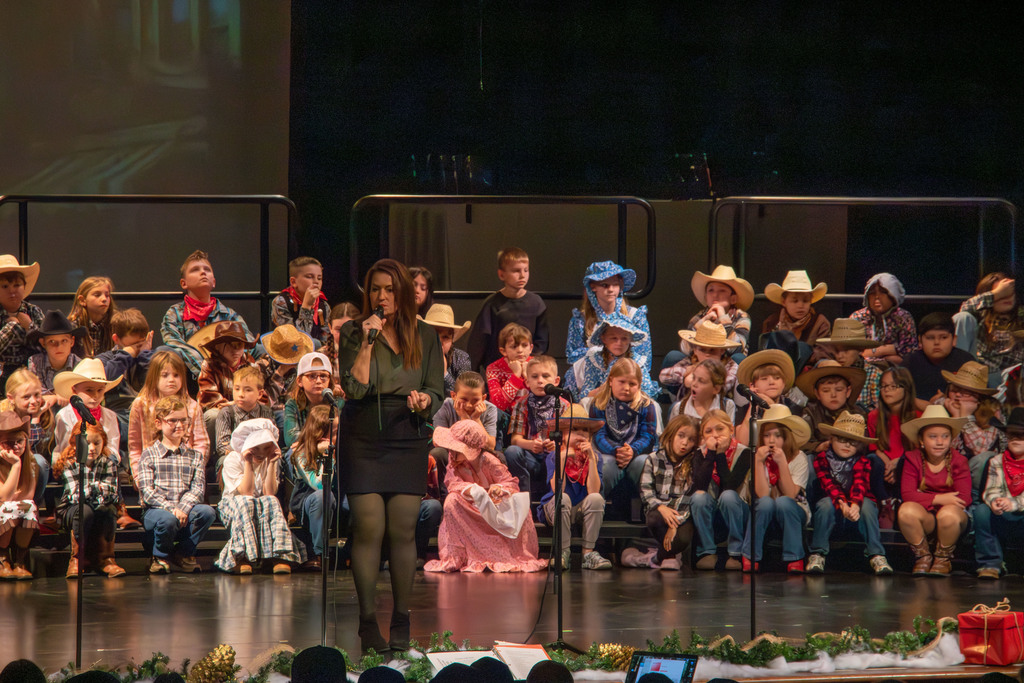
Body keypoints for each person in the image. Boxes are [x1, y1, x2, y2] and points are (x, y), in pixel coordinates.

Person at [336, 258, 443, 654]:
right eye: (375, 289)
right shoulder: (354, 331)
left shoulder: (426, 334)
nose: (381, 296)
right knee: (368, 527)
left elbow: (436, 389)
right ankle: (367, 623)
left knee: (403, 529)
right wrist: (367, 341)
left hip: (407, 432)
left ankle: (401, 619)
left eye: (389, 289)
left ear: (403, 293)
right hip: (364, 432)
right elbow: (355, 388)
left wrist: (425, 400)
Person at [424, 420, 545, 573]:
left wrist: (498, 489)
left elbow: (510, 483)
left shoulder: (488, 460)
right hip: (470, 506)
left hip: (493, 508)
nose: (452, 452)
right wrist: (471, 490)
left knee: (516, 503)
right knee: (451, 500)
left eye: (456, 448)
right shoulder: (454, 462)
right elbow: (452, 482)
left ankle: (505, 553)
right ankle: (458, 555)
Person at [137, 396, 216, 574]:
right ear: (159, 423)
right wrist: (172, 509)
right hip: (157, 511)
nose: (179, 425)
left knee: (207, 512)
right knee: (168, 519)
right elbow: (147, 491)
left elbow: (197, 489)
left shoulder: (194, 456)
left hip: (183, 510)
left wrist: (182, 508)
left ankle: (182, 553)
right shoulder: (149, 455)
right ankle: (159, 556)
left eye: (183, 420)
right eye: (172, 420)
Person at [806, 411, 892, 575]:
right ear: (831, 439)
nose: (847, 445)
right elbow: (829, 485)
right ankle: (817, 553)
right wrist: (842, 504)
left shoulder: (863, 461)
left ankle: (877, 554)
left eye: (853, 442)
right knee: (825, 505)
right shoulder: (822, 458)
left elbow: (860, 485)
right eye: (841, 439)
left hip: (855, 506)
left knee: (867, 506)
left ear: (859, 445)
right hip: (833, 503)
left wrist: (855, 505)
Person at [216, 418, 303, 574]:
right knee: (246, 502)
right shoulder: (233, 459)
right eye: (256, 447)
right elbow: (246, 492)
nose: (261, 453)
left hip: (259, 504)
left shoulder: (270, 459)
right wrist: (248, 462)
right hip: (234, 505)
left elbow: (269, 492)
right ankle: (241, 557)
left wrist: (272, 463)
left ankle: (279, 555)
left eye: (266, 447)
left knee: (272, 500)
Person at [160, 249, 257, 380]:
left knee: (260, 349)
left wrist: (231, 361)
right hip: (191, 375)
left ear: (214, 282)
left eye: (207, 269)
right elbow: (173, 342)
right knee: (164, 351)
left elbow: (248, 341)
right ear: (184, 283)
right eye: (195, 270)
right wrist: (207, 370)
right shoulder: (175, 313)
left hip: (229, 370)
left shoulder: (228, 315)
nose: (203, 272)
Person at [898, 405, 970, 576]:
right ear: (922, 440)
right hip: (928, 517)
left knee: (948, 514)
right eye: (933, 437)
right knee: (906, 510)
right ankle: (923, 557)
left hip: (952, 519)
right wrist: (940, 499)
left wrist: (928, 499)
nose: (940, 442)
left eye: (945, 436)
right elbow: (907, 494)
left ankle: (942, 559)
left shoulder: (959, 460)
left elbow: (963, 498)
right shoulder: (913, 458)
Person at [537, 404, 612, 570]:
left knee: (596, 498)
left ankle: (588, 554)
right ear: (563, 434)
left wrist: (591, 458)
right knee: (563, 498)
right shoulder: (554, 455)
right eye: (575, 429)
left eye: (585, 430)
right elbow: (558, 491)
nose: (581, 433)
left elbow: (593, 491)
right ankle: (563, 552)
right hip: (556, 508)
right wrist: (563, 459)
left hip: (580, 509)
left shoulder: (596, 457)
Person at [742, 404, 811, 573]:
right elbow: (762, 494)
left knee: (784, 502)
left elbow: (791, 494)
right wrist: (758, 462)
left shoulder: (799, 458)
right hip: (766, 510)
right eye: (767, 435)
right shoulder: (758, 456)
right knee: (765, 502)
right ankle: (750, 555)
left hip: (794, 509)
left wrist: (781, 463)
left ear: (786, 437)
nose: (771, 441)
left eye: (777, 435)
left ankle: (794, 557)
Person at [54, 421, 125, 578]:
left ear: (103, 443)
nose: (92, 448)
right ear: (76, 444)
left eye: (97, 443)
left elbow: (112, 493)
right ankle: (77, 559)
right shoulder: (70, 464)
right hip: (72, 508)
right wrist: (97, 487)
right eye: (87, 443)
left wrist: (92, 490)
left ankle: (106, 559)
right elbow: (75, 496)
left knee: (108, 509)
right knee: (85, 511)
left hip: (99, 504)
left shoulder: (108, 463)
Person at [127, 350, 208, 481]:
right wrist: (138, 476)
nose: (171, 380)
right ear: (154, 377)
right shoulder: (141, 405)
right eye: (164, 375)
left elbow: (201, 443)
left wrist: (195, 471)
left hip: (185, 474)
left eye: (176, 375)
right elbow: (134, 446)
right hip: (152, 475)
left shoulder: (192, 407)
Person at [590, 358, 658, 510]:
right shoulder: (598, 403)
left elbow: (648, 436)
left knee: (643, 463)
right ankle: (596, 508)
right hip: (609, 452)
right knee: (606, 465)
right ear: (610, 381)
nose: (626, 388)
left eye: (632, 384)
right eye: (621, 382)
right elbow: (599, 435)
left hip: (636, 453)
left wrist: (631, 450)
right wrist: (617, 450)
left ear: (639, 385)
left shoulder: (647, 405)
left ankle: (646, 508)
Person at [634, 414, 701, 570]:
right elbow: (646, 490)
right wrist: (661, 507)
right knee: (654, 518)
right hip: (659, 510)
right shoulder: (653, 459)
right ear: (671, 434)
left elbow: (689, 495)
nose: (685, 443)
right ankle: (671, 556)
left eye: (691, 439)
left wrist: (675, 521)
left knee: (683, 538)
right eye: (681, 436)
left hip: (681, 513)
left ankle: (656, 558)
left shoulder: (694, 462)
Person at [467, 247, 549, 371]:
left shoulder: (536, 303)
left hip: (527, 370)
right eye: (516, 271)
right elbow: (478, 343)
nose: (522, 275)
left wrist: (528, 363)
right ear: (501, 274)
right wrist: (474, 372)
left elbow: (542, 342)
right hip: (498, 371)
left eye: (526, 270)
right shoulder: (492, 304)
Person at [565, 260, 652, 377]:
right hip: (591, 374)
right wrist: (598, 353)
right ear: (593, 287)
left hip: (627, 375)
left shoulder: (634, 316)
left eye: (615, 285)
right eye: (605, 285)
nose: (611, 289)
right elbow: (573, 356)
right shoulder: (581, 319)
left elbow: (644, 356)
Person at [503, 355, 570, 501]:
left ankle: (554, 500)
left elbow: (569, 438)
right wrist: (531, 445)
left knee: (560, 455)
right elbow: (515, 440)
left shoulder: (564, 406)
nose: (540, 381)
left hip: (555, 456)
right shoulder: (522, 404)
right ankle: (523, 498)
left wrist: (557, 445)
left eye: (545, 376)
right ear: (527, 382)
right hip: (532, 457)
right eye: (534, 377)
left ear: (556, 381)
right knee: (512, 452)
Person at [690, 410, 751, 571]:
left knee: (728, 496)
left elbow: (730, 484)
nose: (715, 435)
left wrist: (721, 454)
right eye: (708, 431)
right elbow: (700, 485)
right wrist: (711, 454)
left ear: (731, 430)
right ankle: (706, 552)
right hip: (712, 511)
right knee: (698, 497)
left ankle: (736, 552)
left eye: (720, 429)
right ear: (703, 436)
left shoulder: (744, 452)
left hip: (737, 510)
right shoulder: (701, 453)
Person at [974, 407, 1024, 579]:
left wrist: (1013, 503)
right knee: (982, 510)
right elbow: (991, 489)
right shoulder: (997, 461)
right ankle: (990, 563)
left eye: (1021, 435)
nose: (1015, 439)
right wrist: (995, 501)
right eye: (1012, 435)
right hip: (1004, 514)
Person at [97, 308, 155, 451]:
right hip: (119, 415)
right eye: (132, 346)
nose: (137, 349)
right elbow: (104, 381)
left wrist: (145, 357)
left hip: (148, 412)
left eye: (140, 344)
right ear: (116, 339)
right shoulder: (105, 360)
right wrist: (125, 356)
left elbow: (151, 386)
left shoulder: (149, 358)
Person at [429, 371, 500, 489]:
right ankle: (444, 493)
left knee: (497, 457)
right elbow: (438, 441)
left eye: (475, 400)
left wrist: (476, 420)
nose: (469, 405)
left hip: (478, 456)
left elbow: (490, 446)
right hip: (452, 456)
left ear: (483, 398)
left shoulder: (490, 409)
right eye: (464, 399)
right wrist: (464, 419)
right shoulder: (444, 406)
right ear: (453, 396)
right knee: (438, 453)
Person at [565, 313, 657, 400]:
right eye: (614, 338)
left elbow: (648, 392)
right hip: (601, 404)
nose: (619, 343)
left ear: (630, 340)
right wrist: (605, 389)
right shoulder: (595, 360)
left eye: (624, 338)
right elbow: (586, 393)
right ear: (604, 338)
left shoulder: (637, 362)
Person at [289, 404, 337, 570]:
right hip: (308, 502)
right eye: (333, 432)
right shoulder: (301, 453)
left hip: (338, 497)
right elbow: (319, 485)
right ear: (320, 433)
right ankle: (319, 552)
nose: (337, 436)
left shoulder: (342, 448)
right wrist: (328, 458)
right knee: (323, 497)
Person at [954, 273, 1024, 385]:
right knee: (962, 317)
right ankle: (959, 383)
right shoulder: (980, 317)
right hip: (979, 375)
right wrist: (996, 294)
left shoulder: (1020, 316)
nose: (1007, 298)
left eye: (1010, 293)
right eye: (1002, 294)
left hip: (1011, 379)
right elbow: (965, 308)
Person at [52, 359, 123, 463]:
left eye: (100, 390)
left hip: (102, 465)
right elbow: (64, 448)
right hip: (72, 465)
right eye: (89, 390)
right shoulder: (64, 416)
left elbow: (113, 448)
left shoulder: (110, 416)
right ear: (74, 389)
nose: (95, 395)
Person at [900, 312, 976, 409]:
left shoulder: (966, 362)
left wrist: (946, 401)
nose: (936, 342)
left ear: (954, 340)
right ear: (920, 340)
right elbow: (897, 393)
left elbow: (976, 395)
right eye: (930, 338)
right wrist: (921, 404)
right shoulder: (909, 362)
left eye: (943, 337)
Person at [2, 369, 54, 508]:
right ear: (11, 398)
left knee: (40, 461)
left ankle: (32, 504)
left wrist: (37, 418)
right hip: (6, 467)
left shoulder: (45, 414)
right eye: (26, 397)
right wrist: (35, 420)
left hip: (29, 470)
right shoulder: (4, 417)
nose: (34, 401)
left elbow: (37, 450)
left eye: (37, 395)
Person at [866, 365, 920, 494]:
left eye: (893, 386)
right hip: (884, 466)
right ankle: (884, 501)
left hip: (909, 464)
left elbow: (920, 450)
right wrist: (889, 465)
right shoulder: (873, 416)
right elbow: (875, 447)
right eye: (884, 386)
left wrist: (898, 462)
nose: (887, 390)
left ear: (906, 388)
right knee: (873, 460)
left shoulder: (918, 416)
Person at [214, 366, 275, 473]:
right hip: (236, 456)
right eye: (237, 389)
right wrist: (246, 452)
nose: (241, 394)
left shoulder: (266, 412)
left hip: (260, 455)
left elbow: (271, 439)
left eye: (248, 390)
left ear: (260, 394)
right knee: (224, 460)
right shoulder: (227, 413)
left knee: (275, 459)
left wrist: (258, 452)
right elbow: (222, 446)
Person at [797, 360, 867, 454]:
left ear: (848, 391)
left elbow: (865, 443)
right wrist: (817, 446)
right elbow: (799, 442)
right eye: (826, 391)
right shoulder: (810, 413)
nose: (833, 395)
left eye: (839, 389)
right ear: (817, 393)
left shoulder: (857, 414)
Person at [660, 320, 740, 401]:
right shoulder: (690, 361)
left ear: (722, 350)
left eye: (712, 350)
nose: (707, 354)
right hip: (687, 405)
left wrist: (696, 380)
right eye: (702, 350)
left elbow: (724, 386)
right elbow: (663, 376)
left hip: (717, 405)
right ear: (695, 350)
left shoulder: (730, 365)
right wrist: (684, 376)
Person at [733, 349, 798, 446]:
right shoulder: (744, 410)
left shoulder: (793, 408)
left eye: (777, 378)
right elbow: (742, 443)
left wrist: (772, 407)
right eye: (764, 379)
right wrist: (753, 404)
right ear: (752, 385)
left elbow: (792, 442)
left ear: (783, 383)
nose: (772, 382)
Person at [0, 411, 37, 579]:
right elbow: (4, 498)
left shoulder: (31, 462)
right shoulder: (16, 463)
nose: (15, 447)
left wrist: (19, 464)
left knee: (29, 507)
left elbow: (28, 495)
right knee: (7, 507)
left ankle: (20, 560)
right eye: (9, 442)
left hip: (12, 510)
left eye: (19, 441)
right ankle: (3, 558)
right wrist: (15, 465)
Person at [271, 256, 333, 358]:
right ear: (293, 282)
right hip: (287, 356)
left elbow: (325, 341)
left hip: (315, 357)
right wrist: (306, 307)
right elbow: (294, 343)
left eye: (319, 278)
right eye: (309, 277)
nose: (316, 282)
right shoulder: (281, 302)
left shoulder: (323, 305)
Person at [849, 273, 918, 364]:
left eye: (883, 292)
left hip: (895, 369)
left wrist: (875, 353)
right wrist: (888, 350)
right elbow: (851, 353)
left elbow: (909, 352)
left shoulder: (903, 318)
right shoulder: (857, 318)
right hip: (862, 368)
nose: (877, 296)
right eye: (872, 293)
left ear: (893, 296)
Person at [815, 318, 883, 411]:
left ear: (860, 349)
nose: (840, 356)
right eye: (836, 350)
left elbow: (878, 412)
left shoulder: (874, 375)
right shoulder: (828, 371)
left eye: (846, 350)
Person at [686, 265, 754, 355]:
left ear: (733, 299)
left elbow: (736, 349)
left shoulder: (741, 316)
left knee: (737, 357)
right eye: (711, 290)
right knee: (674, 356)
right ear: (706, 297)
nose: (715, 295)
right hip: (702, 360)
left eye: (722, 290)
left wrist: (723, 318)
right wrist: (705, 319)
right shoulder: (700, 316)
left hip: (727, 361)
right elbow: (686, 349)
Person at [0, 254, 44, 392]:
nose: (12, 291)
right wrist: (12, 326)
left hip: (31, 371)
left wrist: (29, 326)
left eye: (17, 285)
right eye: (5, 286)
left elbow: (45, 345)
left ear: (24, 286)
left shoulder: (33, 311)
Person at [760, 270, 831, 354]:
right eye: (795, 301)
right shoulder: (772, 322)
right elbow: (764, 353)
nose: (800, 305)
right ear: (784, 302)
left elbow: (824, 353)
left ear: (811, 301)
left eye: (805, 301)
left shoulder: (820, 323)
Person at [26, 309, 85, 405]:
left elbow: (83, 395)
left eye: (64, 341)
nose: (59, 346)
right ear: (43, 343)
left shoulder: (81, 365)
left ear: (72, 341)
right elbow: (34, 393)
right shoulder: (35, 362)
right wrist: (56, 396)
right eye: (52, 341)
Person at [419, 303, 472, 396]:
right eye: (433, 335)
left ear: (452, 340)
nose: (439, 342)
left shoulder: (461, 358)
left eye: (445, 337)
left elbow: (465, 395)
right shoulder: (412, 356)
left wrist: (444, 374)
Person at [485, 323, 533, 414]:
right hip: (506, 416)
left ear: (530, 348)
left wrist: (527, 376)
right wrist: (516, 376)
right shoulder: (494, 368)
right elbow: (498, 405)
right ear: (503, 351)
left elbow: (545, 398)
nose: (520, 350)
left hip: (533, 413)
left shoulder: (537, 365)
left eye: (524, 345)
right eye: (514, 346)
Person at [669, 358, 735, 422]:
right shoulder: (679, 409)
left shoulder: (727, 406)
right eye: (693, 378)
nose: (694, 384)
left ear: (716, 389)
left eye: (701, 381)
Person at [67, 276, 117, 357]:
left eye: (107, 295)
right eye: (97, 295)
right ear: (82, 300)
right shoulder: (72, 328)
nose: (104, 299)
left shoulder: (116, 324)